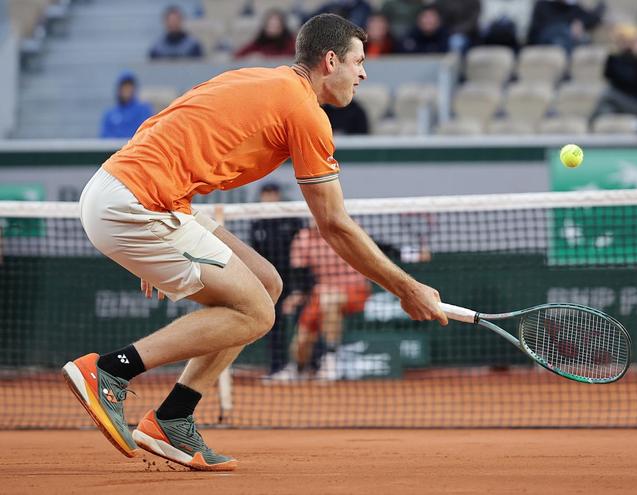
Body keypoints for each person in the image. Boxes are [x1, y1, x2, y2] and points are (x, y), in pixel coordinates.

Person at [63, 13, 447, 472]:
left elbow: (162, 124)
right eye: (358, 62)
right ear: (330, 61)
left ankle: (173, 418)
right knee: (257, 314)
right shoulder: (306, 112)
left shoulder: (260, 78)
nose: (363, 73)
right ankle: (111, 370)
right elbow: (335, 225)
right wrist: (409, 287)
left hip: (135, 191)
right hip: (138, 203)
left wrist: (159, 240)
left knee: (266, 284)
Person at [277, 221, 372, 381]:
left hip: (355, 289)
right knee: (301, 339)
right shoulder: (304, 238)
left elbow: (375, 253)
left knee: (329, 300)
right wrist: (298, 294)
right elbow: (300, 274)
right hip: (322, 292)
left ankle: (331, 359)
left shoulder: (348, 229)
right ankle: (298, 369)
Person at [249, 182, 304, 377]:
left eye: (273, 193)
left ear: (278, 195)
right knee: (273, 325)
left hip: (294, 281)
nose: (269, 197)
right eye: (266, 193)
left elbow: (302, 253)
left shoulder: (292, 219)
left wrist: (299, 289)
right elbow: (254, 255)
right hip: (270, 285)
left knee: (304, 324)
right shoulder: (256, 223)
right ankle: (277, 368)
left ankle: (306, 366)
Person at [593, 24, 637, 119]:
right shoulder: (616, 57)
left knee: (607, 93)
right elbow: (608, 75)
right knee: (606, 109)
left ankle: (590, 124)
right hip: (619, 101)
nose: (625, 43)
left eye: (628, 40)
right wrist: (613, 55)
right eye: (621, 40)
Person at [527, 0, 604, 54]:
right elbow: (533, 32)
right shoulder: (542, 4)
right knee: (562, 31)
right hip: (546, 39)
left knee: (568, 36)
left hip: (566, 39)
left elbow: (591, 18)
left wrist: (580, 23)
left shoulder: (573, 7)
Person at [99, 71, 154, 139]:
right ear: (119, 89)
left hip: (137, 148)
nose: (127, 90)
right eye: (124, 86)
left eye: (129, 86)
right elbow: (105, 137)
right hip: (115, 149)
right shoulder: (110, 113)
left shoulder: (143, 110)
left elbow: (147, 133)